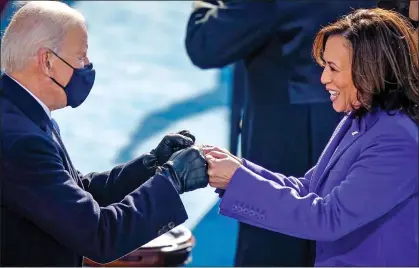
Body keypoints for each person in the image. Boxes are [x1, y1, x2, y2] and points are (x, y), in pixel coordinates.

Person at [203, 8, 419, 266]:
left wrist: (237, 180)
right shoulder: (359, 119)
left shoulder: (396, 141)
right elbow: (311, 188)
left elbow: (329, 217)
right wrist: (239, 170)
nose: (323, 78)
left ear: (369, 69)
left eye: (333, 68)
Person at [0, 1, 208, 266]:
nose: (88, 65)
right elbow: (98, 235)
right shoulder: (22, 141)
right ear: (48, 61)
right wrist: (171, 180)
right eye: (81, 56)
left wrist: (151, 165)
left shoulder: (21, 111)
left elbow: (74, 192)